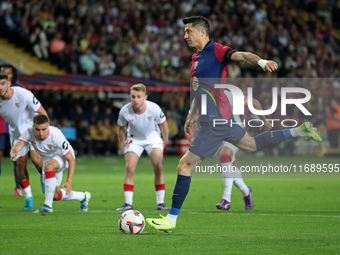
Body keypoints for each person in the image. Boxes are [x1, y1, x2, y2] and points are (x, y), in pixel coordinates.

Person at [146, 16, 322, 233]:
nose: (184, 36)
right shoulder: (195, 58)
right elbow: (200, 92)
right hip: (224, 120)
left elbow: (243, 56)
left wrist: (261, 62)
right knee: (252, 145)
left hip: (214, 123)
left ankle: (171, 220)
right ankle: (298, 130)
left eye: (188, 31)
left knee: (184, 165)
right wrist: (192, 116)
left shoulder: (216, 49)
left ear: (202, 32)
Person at [10, 114, 92, 213]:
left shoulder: (56, 135)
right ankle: (83, 197)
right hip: (50, 162)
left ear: (48, 126)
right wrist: (13, 152)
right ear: (33, 127)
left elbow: (71, 160)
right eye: (37, 130)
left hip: (63, 158)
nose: (40, 133)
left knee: (49, 166)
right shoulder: (28, 132)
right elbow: (18, 146)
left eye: (44, 129)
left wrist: (69, 181)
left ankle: (47, 206)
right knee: (54, 195)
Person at [116, 83, 170, 211]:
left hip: (153, 138)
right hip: (134, 139)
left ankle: (160, 203)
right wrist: (121, 145)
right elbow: (121, 128)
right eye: (133, 97)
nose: (135, 100)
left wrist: (165, 141)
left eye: (138, 96)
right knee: (129, 168)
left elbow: (163, 124)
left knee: (158, 167)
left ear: (145, 97)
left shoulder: (154, 108)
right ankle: (128, 204)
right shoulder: (124, 110)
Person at [0, 71, 47, 210]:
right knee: (21, 165)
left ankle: (44, 177)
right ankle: (28, 198)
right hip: (16, 135)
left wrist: (44, 132)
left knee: (37, 161)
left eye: (2, 83)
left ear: (9, 83)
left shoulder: (23, 94)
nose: (0, 87)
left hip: (33, 131)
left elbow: (42, 112)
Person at [0, 64, 21, 196]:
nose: (6, 74)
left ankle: (18, 187)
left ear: (13, 75)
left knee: (17, 157)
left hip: (15, 127)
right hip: (0, 126)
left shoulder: (19, 89)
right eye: (3, 72)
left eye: (9, 72)